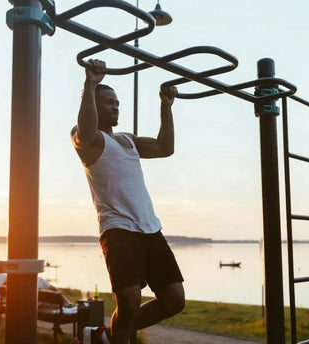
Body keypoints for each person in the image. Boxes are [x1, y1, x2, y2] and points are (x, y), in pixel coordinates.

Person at [71, 59, 185, 344]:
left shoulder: (128, 140)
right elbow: (85, 130)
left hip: (149, 228)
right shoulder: (88, 141)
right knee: (130, 302)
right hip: (118, 229)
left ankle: (106, 336)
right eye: (108, 102)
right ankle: (115, 338)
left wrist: (166, 106)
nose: (115, 106)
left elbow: (164, 148)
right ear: (94, 106)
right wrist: (90, 84)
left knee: (174, 300)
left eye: (117, 102)